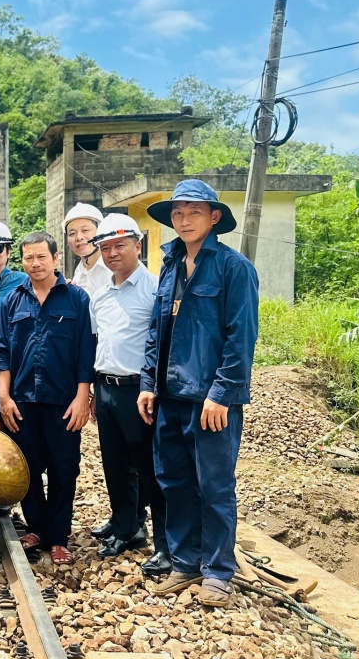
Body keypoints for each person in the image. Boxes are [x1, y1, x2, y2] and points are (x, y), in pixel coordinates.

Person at [138, 179, 259, 608]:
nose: (184, 220)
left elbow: (240, 338)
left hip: (210, 400)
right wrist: (148, 384)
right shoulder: (170, 265)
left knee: (215, 486)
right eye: (178, 213)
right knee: (175, 482)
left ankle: (218, 572)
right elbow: (157, 331)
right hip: (170, 396)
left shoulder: (233, 268)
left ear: (213, 218)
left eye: (193, 212)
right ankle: (185, 562)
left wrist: (221, 394)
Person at [0, 231, 95, 565]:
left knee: (65, 470)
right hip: (22, 402)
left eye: (41, 257)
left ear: (55, 258)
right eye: (29, 258)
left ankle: (59, 535)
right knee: (28, 468)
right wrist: (3, 398)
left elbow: (85, 352)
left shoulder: (76, 299)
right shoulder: (10, 301)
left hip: (64, 401)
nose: (35, 264)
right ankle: (37, 526)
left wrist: (82, 398)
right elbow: (2, 352)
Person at [87, 215, 170, 576]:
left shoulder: (154, 290)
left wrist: (153, 389)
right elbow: (98, 341)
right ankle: (127, 528)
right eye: (105, 248)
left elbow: (163, 344)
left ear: (138, 245)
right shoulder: (100, 293)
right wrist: (92, 390)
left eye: (120, 245)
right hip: (106, 387)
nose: (112, 253)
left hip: (140, 391)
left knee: (150, 468)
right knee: (115, 464)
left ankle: (166, 543)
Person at [64, 202, 112, 298]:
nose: (79, 237)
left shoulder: (114, 269)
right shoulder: (79, 272)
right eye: (72, 233)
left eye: (85, 230)